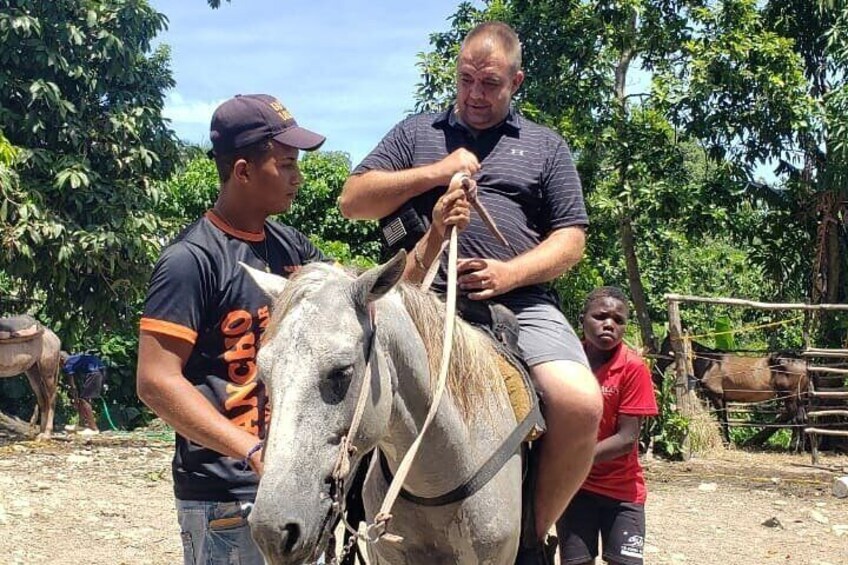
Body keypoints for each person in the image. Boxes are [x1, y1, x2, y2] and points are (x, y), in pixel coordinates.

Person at [339, 20, 603, 562]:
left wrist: (511, 274)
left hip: (521, 304)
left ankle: (531, 531)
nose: (475, 95)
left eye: (491, 85)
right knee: (351, 380)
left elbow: (571, 241)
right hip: (422, 301)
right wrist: (438, 170)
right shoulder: (416, 133)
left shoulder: (546, 147)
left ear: (516, 82)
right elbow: (353, 200)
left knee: (579, 403)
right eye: (466, 81)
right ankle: (344, 518)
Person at [136, 94, 328, 565]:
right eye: (285, 165)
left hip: (291, 484)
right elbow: (155, 382)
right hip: (226, 495)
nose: (297, 177)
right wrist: (251, 449)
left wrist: (430, 240)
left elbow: (351, 304)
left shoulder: (292, 248)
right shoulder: (190, 261)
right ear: (242, 171)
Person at [557, 287, 658, 565]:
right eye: (600, 316)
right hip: (575, 489)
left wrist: (573, 460)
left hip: (622, 493)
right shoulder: (564, 363)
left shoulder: (632, 368)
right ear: (582, 320)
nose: (609, 324)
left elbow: (627, 438)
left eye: (618, 320)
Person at [61, 351, 106, 435]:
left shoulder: (68, 363)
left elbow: (72, 385)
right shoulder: (75, 358)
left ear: (62, 359)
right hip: (100, 370)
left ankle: (94, 428)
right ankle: (81, 425)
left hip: (94, 373)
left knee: (84, 400)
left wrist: (74, 394)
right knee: (83, 399)